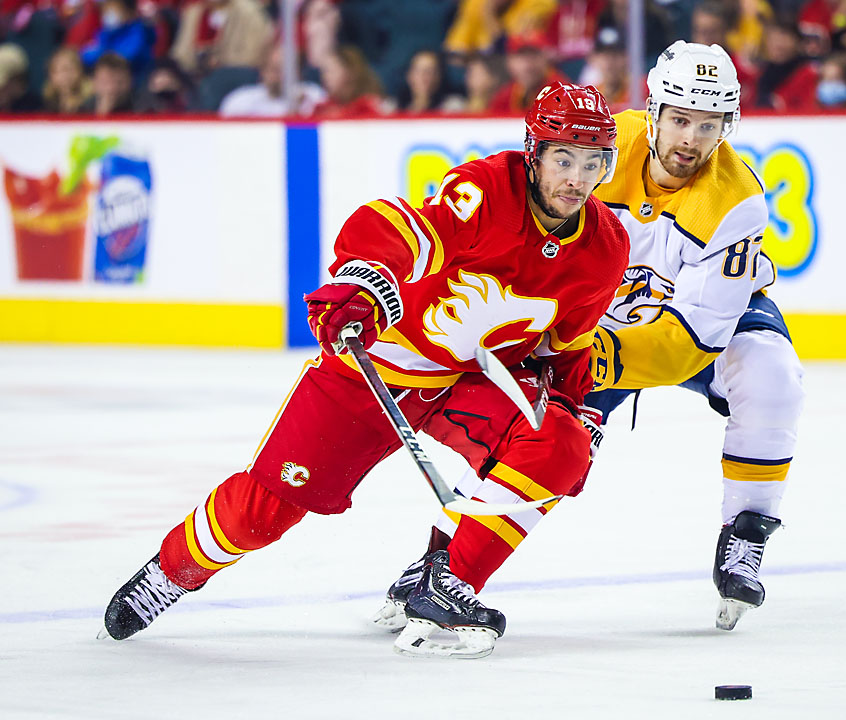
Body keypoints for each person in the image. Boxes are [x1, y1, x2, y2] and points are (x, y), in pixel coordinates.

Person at [99, 82, 630, 660]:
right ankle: (172, 572)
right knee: (264, 513)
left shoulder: (605, 246)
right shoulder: (486, 191)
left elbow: (567, 345)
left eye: (594, 162)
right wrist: (366, 283)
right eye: (564, 159)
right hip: (379, 366)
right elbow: (403, 228)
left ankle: (444, 582)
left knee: (560, 443)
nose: (578, 179)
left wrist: (576, 410)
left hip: (473, 381)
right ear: (534, 153)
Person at [376, 40, 804, 636]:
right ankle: (444, 565)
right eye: (680, 119)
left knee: (771, 376)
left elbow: (696, 337)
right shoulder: (598, 148)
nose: (690, 139)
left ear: (727, 125)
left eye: (708, 125)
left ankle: (747, 534)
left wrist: (591, 359)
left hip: (688, 326)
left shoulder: (736, 201)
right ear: (653, 111)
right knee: (546, 439)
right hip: (597, 316)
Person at [218, 44, 326, 117]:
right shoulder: (240, 101)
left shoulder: (314, 96)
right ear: (263, 71)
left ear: (297, 72)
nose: (279, 77)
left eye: (285, 70)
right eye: (274, 70)